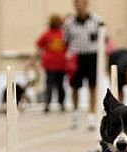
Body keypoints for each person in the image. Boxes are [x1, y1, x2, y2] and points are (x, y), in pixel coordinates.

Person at [64, 0, 104, 129]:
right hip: (76, 57)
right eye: (76, 3)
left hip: (92, 56)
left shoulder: (97, 20)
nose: (79, 5)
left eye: (81, 2)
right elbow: (65, 40)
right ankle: (75, 114)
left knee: (92, 86)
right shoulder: (69, 22)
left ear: (86, 4)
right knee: (75, 86)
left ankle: (91, 115)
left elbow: (104, 38)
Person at [36, 14, 67, 113]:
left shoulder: (47, 34)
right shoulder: (63, 34)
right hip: (61, 63)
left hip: (50, 64)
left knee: (49, 84)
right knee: (60, 85)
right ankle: (61, 104)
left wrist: (34, 58)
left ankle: (47, 104)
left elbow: (39, 46)